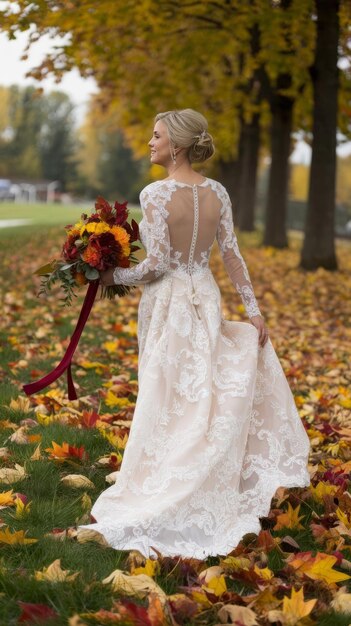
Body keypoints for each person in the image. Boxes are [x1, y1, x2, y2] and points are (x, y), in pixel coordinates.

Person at [78, 109, 310, 559]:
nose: (150, 141)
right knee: (198, 387)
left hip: (170, 301)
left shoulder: (156, 194)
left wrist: (112, 278)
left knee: (166, 387)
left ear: (177, 146)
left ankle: (167, 476)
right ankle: (192, 462)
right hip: (205, 291)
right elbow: (233, 256)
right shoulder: (217, 191)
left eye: (156, 135)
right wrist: (254, 312)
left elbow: (157, 265)